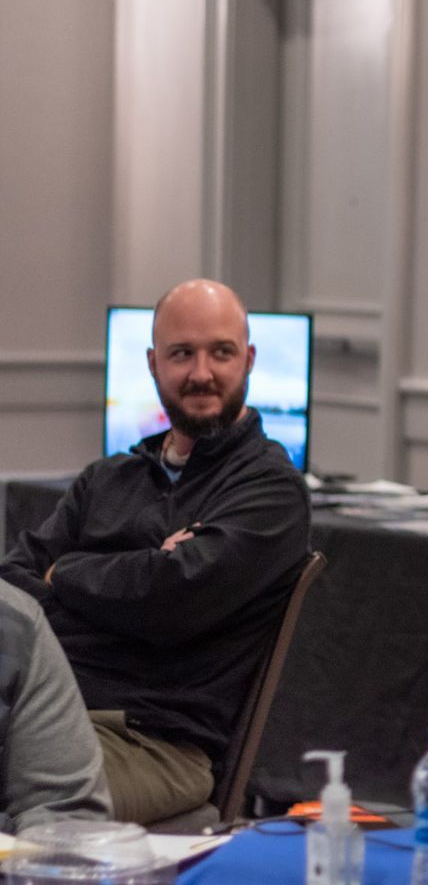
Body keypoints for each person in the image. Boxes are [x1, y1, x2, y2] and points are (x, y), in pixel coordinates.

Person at [0, 280, 313, 824]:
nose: (201, 373)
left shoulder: (269, 491)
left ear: (249, 359)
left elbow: (169, 601)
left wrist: (65, 573)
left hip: (154, 746)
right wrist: (132, 586)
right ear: (152, 363)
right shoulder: (107, 479)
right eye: (181, 354)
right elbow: (11, 591)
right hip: (43, 710)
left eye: (221, 352)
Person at [0, 580, 111, 831]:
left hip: (146, 722)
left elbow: (66, 812)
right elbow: (21, 568)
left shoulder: (15, 620)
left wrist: (64, 573)